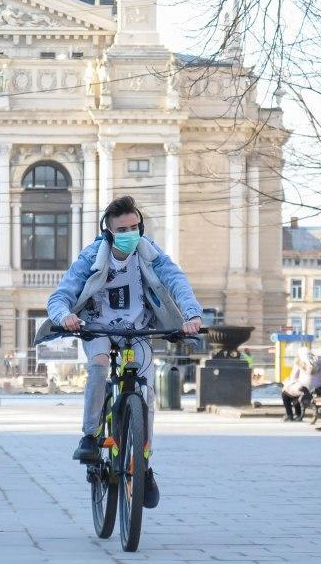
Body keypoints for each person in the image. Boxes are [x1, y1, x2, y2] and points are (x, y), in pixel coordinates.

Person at [36, 195, 203, 510]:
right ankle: (89, 436)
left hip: (137, 330)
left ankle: (144, 465)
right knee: (99, 364)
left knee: (147, 394)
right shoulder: (91, 256)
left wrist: (192, 315)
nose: (130, 234)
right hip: (97, 328)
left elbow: (177, 281)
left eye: (134, 227)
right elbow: (60, 295)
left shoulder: (151, 254)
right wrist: (65, 316)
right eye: (122, 230)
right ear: (109, 232)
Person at [281, 350, 319, 421]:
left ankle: (290, 415)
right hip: (316, 388)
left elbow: (293, 378)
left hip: (304, 388)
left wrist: (287, 382)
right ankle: (297, 414)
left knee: (285, 393)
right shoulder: (317, 363)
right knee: (293, 392)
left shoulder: (300, 364)